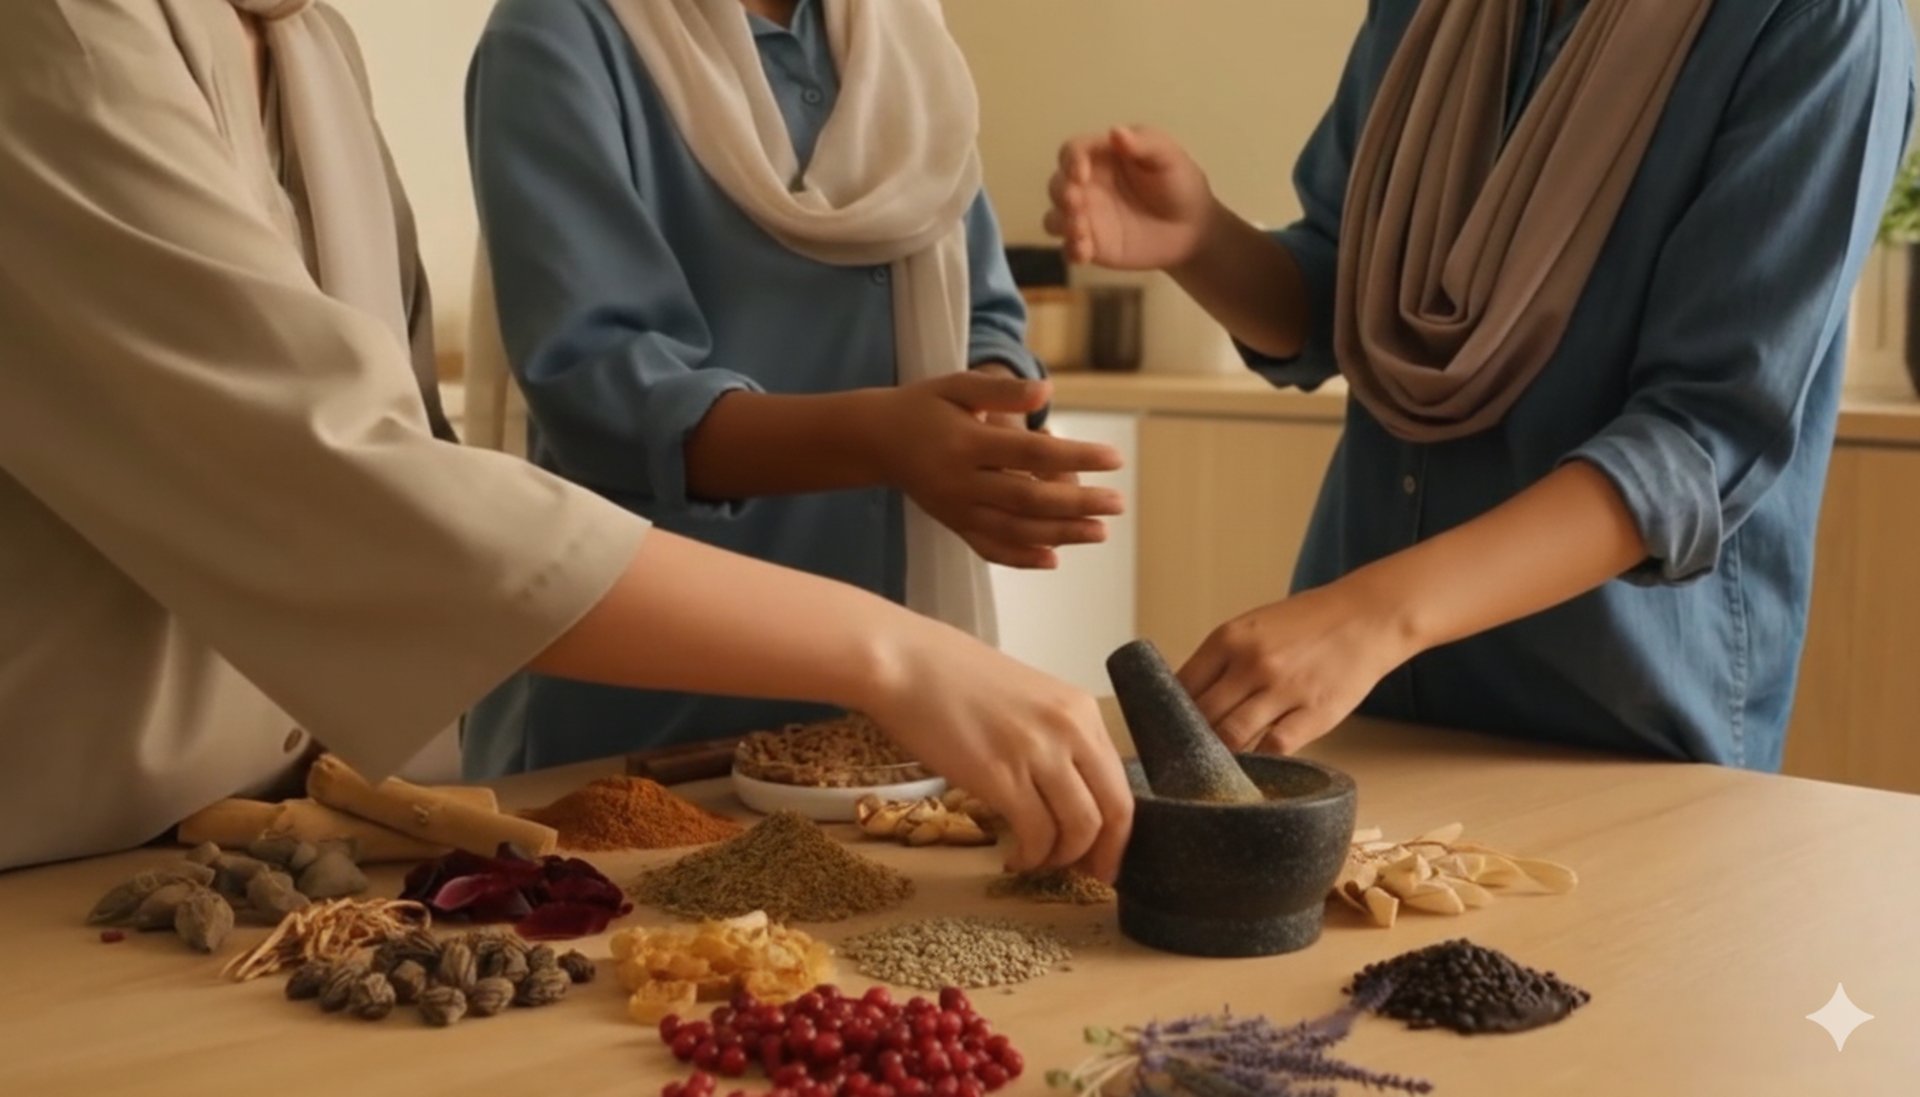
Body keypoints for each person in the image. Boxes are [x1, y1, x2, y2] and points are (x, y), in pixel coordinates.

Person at [0, 0, 1131, 878]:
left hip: (307, 835)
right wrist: (894, 651)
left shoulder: (307, 46)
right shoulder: (57, 35)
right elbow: (356, 485)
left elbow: (405, 452)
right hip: (72, 852)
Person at [1047, 0, 1914, 768]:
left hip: (1615, 739)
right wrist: (1202, 238)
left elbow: (1698, 443)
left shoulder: (1813, 18)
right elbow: (1349, 297)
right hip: (1368, 713)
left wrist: (1373, 615)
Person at [461, 0, 1125, 776]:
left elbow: (982, 311)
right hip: (647, 703)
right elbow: (602, 390)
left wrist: (991, 412)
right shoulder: (560, 31)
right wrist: (885, 441)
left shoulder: (902, 34)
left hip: (891, 715)